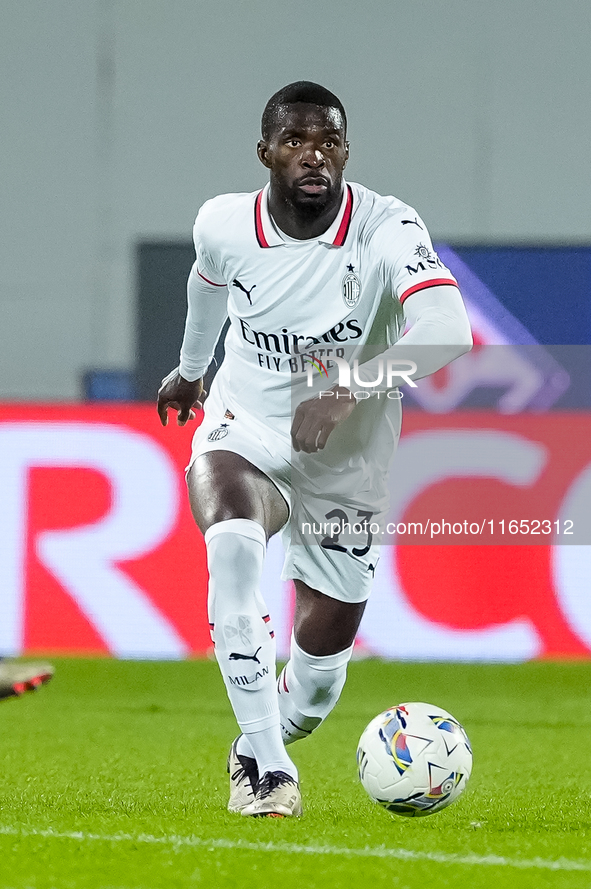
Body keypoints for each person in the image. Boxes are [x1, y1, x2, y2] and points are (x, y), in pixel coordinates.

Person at [157, 81, 472, 818]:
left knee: (320, 681)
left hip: (345, 461)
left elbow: (449, 329)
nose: (313, 155)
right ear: (264, 151)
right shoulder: (224, 224)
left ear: (345, 152)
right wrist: (192, 368)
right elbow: (206, 288)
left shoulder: (386, 226)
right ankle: (270, 772)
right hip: (246, 431)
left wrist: (350, 387)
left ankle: (264, 736)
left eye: (328, 141)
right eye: (295, 140)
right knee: (231, 546)